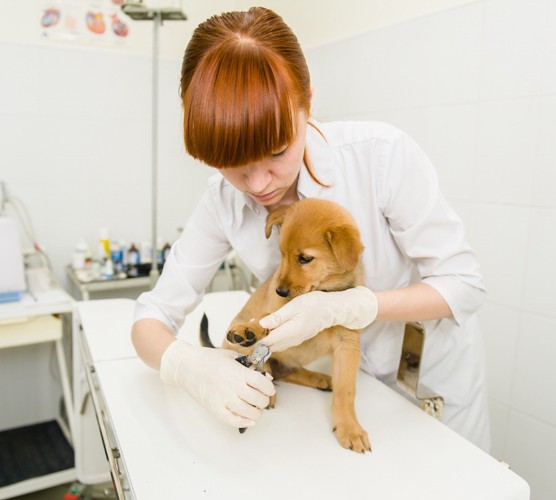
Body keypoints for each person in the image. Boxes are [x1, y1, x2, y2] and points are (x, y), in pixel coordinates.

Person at [132, 6, 490, 451]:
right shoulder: (220, 202)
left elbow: (465, 286)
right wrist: (187, 366)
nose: (259, 185)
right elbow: (151, 317)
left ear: (307, 103)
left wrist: (356, 306)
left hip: (426, 377)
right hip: (337, 380)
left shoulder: (381, 156)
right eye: (234, 166)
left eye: (278, 152)